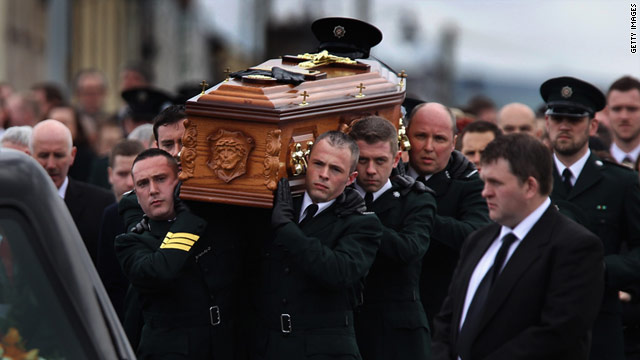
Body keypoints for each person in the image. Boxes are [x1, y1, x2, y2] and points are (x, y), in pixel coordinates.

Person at [432, 133, 604, 360]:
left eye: (496, 183)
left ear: (530, 186)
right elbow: (448, 319)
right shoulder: (478, 241)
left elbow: (558, 333)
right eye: (485, 182)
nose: (485, 192)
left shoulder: (575, 246)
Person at [254, 130, 382, 360]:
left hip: (326, 351)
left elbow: (337, 271)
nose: (323, 174)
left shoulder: (363, 224)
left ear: (351, 178)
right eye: (318, 164)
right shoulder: (279, 207)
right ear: (305, 164)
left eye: (335, 169)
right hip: (270, 347)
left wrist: (287, 229)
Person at [542, 76, 640, 360]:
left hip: (599, 322)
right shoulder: (531, 179)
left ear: (592, 125)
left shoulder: (620, 183)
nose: (564, 126)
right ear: (547, 122)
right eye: (557, 117)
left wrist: (600, 268)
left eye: (573, 119)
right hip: (539, 319)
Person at [116, 148, 238, 359]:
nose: (153, 190)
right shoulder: (131, 242)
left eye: (161, 179)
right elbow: (161, 270)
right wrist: (188, 213)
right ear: (136, 194)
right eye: (143, 184)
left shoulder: (214, 224)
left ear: (179, 181)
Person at [348, 116, 437, 360]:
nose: (370, 170)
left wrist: (363, 216)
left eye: (380, 161)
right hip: (347, 329)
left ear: (397, 159)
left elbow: (409, 249)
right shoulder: (339, 198)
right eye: (362, 160)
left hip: (397, 335)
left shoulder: (416, 201)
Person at [405, 102, 490, 325]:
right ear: (405, 136)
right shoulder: (387, 177)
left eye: (439, 139)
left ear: (454, 142)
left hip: (441, 310)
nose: (429, 147)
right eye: (420, 136)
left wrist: (420, 216)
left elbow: (476, 235)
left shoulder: (469, 184)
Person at [30, 119, 114, 263]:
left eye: (58, 155)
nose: (51, 164)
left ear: (72, 155)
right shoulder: (16, 202)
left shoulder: (101, 204)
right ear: (30, 155)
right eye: (43, 155)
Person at [96, 139, 145, 319]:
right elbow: (107, 279)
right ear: (110, 175)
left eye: (133, 174)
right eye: (122, 174)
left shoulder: (163, 211)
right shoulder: (108, 215)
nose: (129, 183)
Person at [48, 104, 97, 182]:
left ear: (76, 126)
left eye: (64, 123)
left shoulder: (89, 159)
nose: (58, 128)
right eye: (54, 123)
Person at [606, 76, 640, 167]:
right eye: (617, 109)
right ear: (607, 112)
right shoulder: (592, 164)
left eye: (632, 109)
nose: (624, 116)